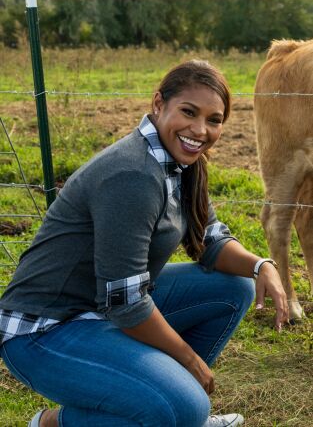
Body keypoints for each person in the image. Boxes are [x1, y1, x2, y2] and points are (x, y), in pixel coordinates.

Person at [0, 60, 288, 427]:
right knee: (186, 408)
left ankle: (166, 401)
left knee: (234, 287)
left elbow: (210, 239)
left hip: (100, 304)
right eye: (188, 112)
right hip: (45, 329)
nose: (200, 130)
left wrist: (261, 265)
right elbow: (126, 302)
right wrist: (187, 360)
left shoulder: (180, 161)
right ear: (158, 104)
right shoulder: (133, 175)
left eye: (214, 120)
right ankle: (57, 423)